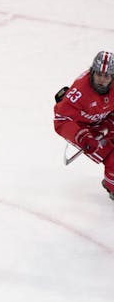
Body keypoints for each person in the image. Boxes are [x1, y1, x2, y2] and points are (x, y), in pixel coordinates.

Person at [54, 50, 114, 199]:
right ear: (92, 72)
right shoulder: (79, 91)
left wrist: (110, 122)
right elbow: (60, 120)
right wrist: (82, 137)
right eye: (98, 74)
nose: (101, 79)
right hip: (81, 127)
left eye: (106, 76)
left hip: (102, 120)